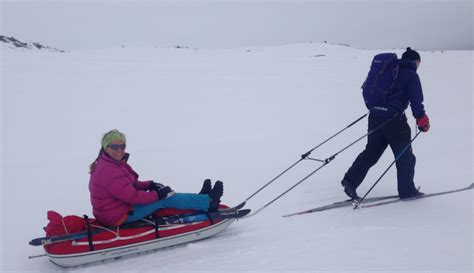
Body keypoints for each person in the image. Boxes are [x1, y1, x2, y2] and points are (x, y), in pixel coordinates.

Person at [341, 47, 430, 200]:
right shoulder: (411, 75)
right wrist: (422, 119)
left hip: (375, 116)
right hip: (395, 120)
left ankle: (350, 181)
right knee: (405, 157)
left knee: (371, 152)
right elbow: (416, 101)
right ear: (416, 61)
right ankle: (407, 191)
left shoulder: (387, 71)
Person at [89, 129, 224, 226]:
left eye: (122, 146)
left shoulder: (111, 164)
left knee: (166, 195)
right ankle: (208, 202)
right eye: (114, 146)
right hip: (117, 216)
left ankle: (200, 199)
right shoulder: (109, 170)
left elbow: (129, 185)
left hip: (115, 209)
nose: (119, 150)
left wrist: (149, 185)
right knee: (165, 199)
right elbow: (133, 197)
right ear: (106, 148)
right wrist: (158, 195)